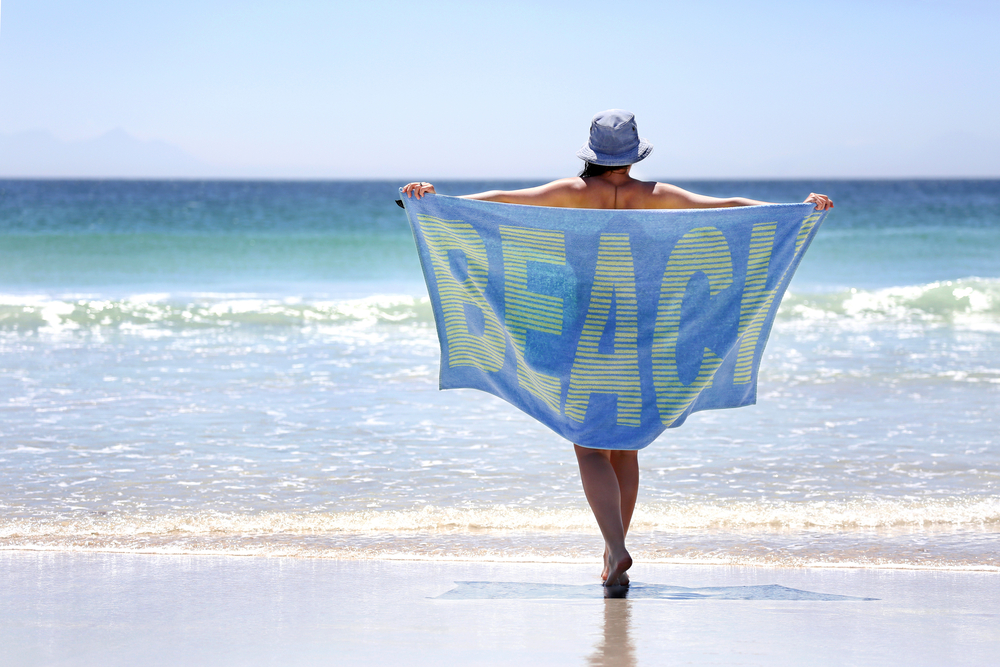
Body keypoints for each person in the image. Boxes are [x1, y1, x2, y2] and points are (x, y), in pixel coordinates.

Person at [403, 109, 834, 588]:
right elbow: (732, 208)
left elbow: (496, 204)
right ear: (634, 153)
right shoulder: (656, 196)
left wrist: (430, 202)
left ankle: (615, 547)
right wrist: (801, 209)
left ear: (591, 152)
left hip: (579, 334)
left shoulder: (568, 192)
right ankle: (612, 559)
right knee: (625, 450)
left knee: (589, 448)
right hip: (642, 334)